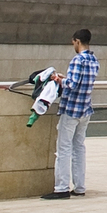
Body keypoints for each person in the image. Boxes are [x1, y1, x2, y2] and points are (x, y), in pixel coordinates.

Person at [42, 29, 97, 200]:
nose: (73, 45)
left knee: (64, 148)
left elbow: (72, 85)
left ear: (77, 41)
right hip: (85, 109)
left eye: (73, 42)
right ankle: (79, 187)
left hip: (71, 109)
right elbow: (80, 82)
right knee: (79, 147)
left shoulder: (77, 60)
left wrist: (58, 79)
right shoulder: (94, 60)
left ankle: (61, 187)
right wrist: (66, 79)